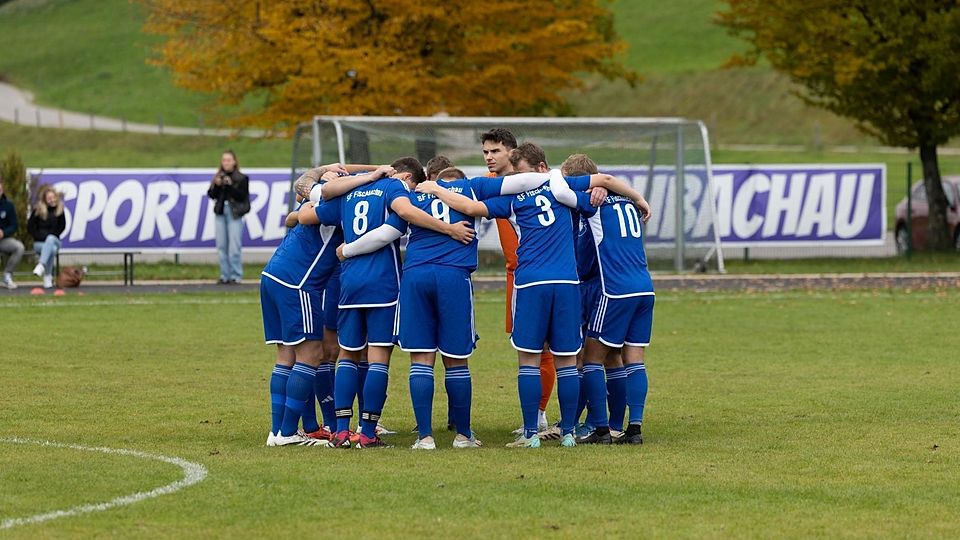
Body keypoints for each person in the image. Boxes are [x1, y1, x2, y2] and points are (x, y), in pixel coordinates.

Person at [422, 142, 647, 448]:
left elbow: (471, 208)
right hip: (568, 283)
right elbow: (602, 184)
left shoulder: (513, 199)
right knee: (568, 361)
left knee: (529, 360)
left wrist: (435, 189)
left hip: (530, 284)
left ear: (532, 169)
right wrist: (635, 198)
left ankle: (531, 434)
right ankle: (569, 433)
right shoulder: (564, 189)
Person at [343, 165, 556, 449]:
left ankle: (425, 437)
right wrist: (554, 177)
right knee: (456, 360)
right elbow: (519, 182)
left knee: (421, 360)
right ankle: (463, 435)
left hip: (416, 277)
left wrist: (347, 250)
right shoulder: (473, 186)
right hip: (453, 276)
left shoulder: (417, 195)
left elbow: (386, 232)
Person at [299, 157, 475, 449]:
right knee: (378, 357)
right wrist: (450, 229)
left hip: (349, 284)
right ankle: (367, 432)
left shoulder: (349, 192)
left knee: (348, 355)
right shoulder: (394, 189)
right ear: (406, 177)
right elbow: (396, 225)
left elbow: (307, 208)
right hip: (382, 284)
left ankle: (341, 432)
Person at [262, 163, 384, 447]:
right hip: (298, 282)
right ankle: (290, 432)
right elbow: (304, 208)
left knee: (286, 356)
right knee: (313, 354)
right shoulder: (339, 203)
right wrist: (372, 174)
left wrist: (330, 171)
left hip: (273, 275)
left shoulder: (318, 195)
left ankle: (278, 431)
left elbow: (303, 189)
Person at [549, 167, 654, 445]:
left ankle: (600, 428)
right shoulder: (629, 204)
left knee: (592, 358)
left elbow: (560, 193)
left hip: (614, 290)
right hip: (645, 288)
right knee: (633, 359)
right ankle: (633, 429)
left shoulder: (591, 204)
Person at [480, 129, 558, 438]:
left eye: (496, 151)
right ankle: (537, 413)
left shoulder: (533, 182)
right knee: (527, 347)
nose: (489, 157)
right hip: (516, 277)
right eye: (486, 151)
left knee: (550, 349)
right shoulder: (492, 184)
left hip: (544, 274)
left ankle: (542, 414)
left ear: (512, 154)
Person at [207, 150, 250, 284]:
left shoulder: (241, 178)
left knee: (234, 247)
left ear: (234, 162)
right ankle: (224, 275)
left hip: (234, 213)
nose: (226, 163)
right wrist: (217, 185)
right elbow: (211, 194)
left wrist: (230, 185)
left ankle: (236, 275)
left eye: (228, 160)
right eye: (224, 160)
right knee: (221, 245)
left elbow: (241, 196)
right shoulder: (218, 177)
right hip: (221, 212)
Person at [27, 185, 66, 289]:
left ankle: (41, 265)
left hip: (55, 241)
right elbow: (30, 227)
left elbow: (61, 227)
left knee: (51, 239)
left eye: (53, 197)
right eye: (49, 198)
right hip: (39, 243)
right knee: (51, 250)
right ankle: (48, 276)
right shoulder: (38, 210)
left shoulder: (60, 210)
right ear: (45, 200)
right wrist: (41, 237)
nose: (52, 200)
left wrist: (50, 237)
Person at [0, 178, 25, 289]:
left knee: (19, 247)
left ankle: (7, 275)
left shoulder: (8, 206)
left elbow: (14, 225)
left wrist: (3, 232)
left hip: (3, 240)